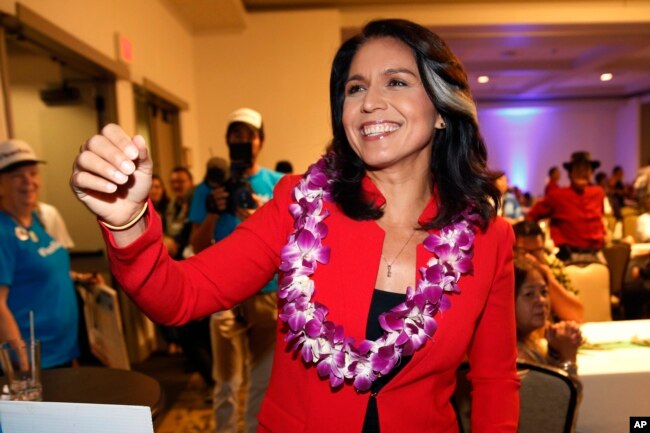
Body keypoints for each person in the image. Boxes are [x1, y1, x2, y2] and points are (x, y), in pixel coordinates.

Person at [70, 19, 519, 432]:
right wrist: (128, 221)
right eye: (354, 88)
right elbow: (181, 296)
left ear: (442, 109)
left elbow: (495, 382)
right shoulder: (300, 205)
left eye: (396, 82)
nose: (369, 103)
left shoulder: (488, 239)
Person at [188, 108, 283, 433]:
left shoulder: (277, 185)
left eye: (249, 135)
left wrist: (260, 216)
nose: (242, 141)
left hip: (268, 296)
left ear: (261, 141)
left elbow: (293, 243)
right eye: (236, 135)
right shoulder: (210, 187)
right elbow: (197, 247)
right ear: (228, 140)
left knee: (262, 381)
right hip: (223, 297)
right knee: (226, 382)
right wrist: (214, 213)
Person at [0, 139, 80, 368]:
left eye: (33, 173)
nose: (29, 181)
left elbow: (43, 272)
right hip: (36, 363)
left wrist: (78, 278)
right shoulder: (3, 232)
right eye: (17, 175)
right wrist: (24, 366)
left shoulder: (37, 220)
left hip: (62, 352)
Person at [526, 151, 606, 264]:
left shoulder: (598, 193)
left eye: (586, 169)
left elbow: (601, 218)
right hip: (569, 256)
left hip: (597, 254)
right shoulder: (557, 196)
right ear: (570, 173)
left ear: (591, 172)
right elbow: (531, 216)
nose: (582, 173)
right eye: (578, 169)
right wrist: (537, 245)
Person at [514, 259, 582, 380]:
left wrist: (555, 351)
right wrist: (567, 357)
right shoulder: (517, 357)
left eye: (544, 292)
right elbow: (562, 397)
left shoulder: (529, 341)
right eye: (529, 294)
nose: (542, 301)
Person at [512, 221, 583, 322]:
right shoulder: (508, 270)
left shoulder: (553, 265)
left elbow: (576, 315)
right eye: (523, 251)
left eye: (537, 251)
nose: (531, 258)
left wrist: (547, 276)